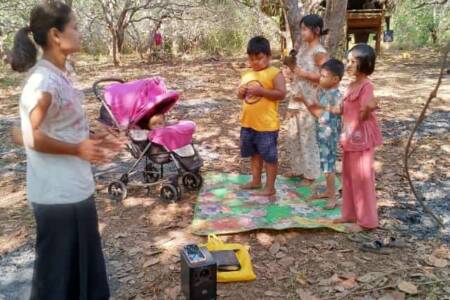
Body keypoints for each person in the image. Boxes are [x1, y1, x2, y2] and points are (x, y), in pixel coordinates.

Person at [9, 2, 123, 298]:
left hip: (75, 192)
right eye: (75, 26)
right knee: (57, 282)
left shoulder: (60, 74)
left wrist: (93, 135)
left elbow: (58, 125)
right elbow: (24, 134)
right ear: (56, 35)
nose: (80, 32)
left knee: (83, 277)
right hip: (57, 198)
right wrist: (77, 149)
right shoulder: (43, 82)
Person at [333, 44, 382, 232]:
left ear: (365, 64)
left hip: (361, 140)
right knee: (348, 177)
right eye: (348, 61)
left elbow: (362, 115)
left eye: (354, 62)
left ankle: (366, 222)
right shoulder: (351, 85)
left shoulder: (367, 86)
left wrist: (369, 108)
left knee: (362, 179)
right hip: (349, 138)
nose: (349, 65)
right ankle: (349, 214)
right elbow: (344, 110)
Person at [237, 36, 286, 196]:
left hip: (266, 125)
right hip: (248, 123)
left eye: (259, 58)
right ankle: (256, 180)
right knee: (254, 155)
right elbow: (240, 96)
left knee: (269, 157)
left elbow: (281, 94)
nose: (255, 62)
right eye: (252, 59)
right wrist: (241, 92)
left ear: (269, 56)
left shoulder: (274, 73)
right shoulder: (246, 74)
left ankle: (270, 187)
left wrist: (262, 91)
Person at [284, 14, 329, 185]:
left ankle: (310, 174)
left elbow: (326, 77)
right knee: (293, 135)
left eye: (305, 29)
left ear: (316, 30)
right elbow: (298, 71)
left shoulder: (320, 52)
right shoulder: (303, 48)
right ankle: (298, 169)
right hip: (296, 96)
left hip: (309, 101)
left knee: (307, 138)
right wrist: (290, 73)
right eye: (301, 29)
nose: (302, 32)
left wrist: (302, 74)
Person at [302, 58, 345, 209]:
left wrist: (305, 101)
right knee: (325, 163)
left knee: (328, 165)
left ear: (335, 79)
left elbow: (318, 113)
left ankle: (333, 197)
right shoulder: (327, 91)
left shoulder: (334, 94)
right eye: (320, 75)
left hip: (328, 135)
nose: (320, 79)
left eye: (323, 76)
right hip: (323, 133)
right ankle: (329, 191)